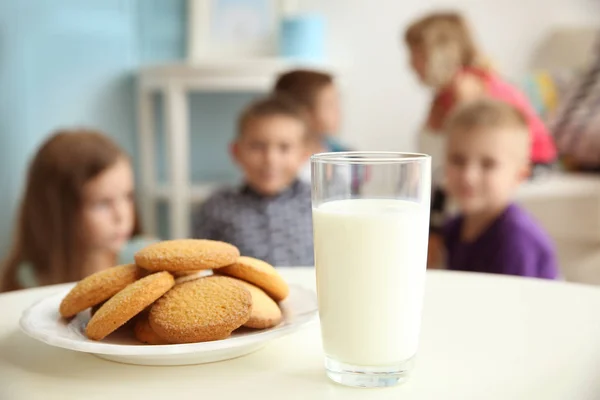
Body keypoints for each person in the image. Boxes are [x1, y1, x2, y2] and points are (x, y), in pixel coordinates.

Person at [403, 11, 557, 266]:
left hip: (534, 159)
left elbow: (464, 156)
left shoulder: (468, 92)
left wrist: (433, 226)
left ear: (437, 51)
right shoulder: (442, 98)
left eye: (415, 54)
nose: (410, 64)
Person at [1, 129, 154, 292]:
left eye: (128, 196)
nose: (121, 215)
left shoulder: (147, 261)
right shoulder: (27, 282)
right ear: (59, 213)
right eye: (102, 203)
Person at [442, 99, 558, 279]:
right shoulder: (453, 228)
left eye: (488, 164)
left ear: (520, 175)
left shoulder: (516, 240)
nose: (468, 176)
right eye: (458, 160)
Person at [192, 95, 313, 266]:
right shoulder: (217, 206)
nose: (270, 159)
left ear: (303, 154)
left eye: (284, 147)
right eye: (258, 146)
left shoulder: (316, 202)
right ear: (236, 151)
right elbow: (198, 265)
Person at [273, 69, 348, 182]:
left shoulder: (342, 154)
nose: (338, 111)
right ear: (304, 112)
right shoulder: (281, 163)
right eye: (330, 105)